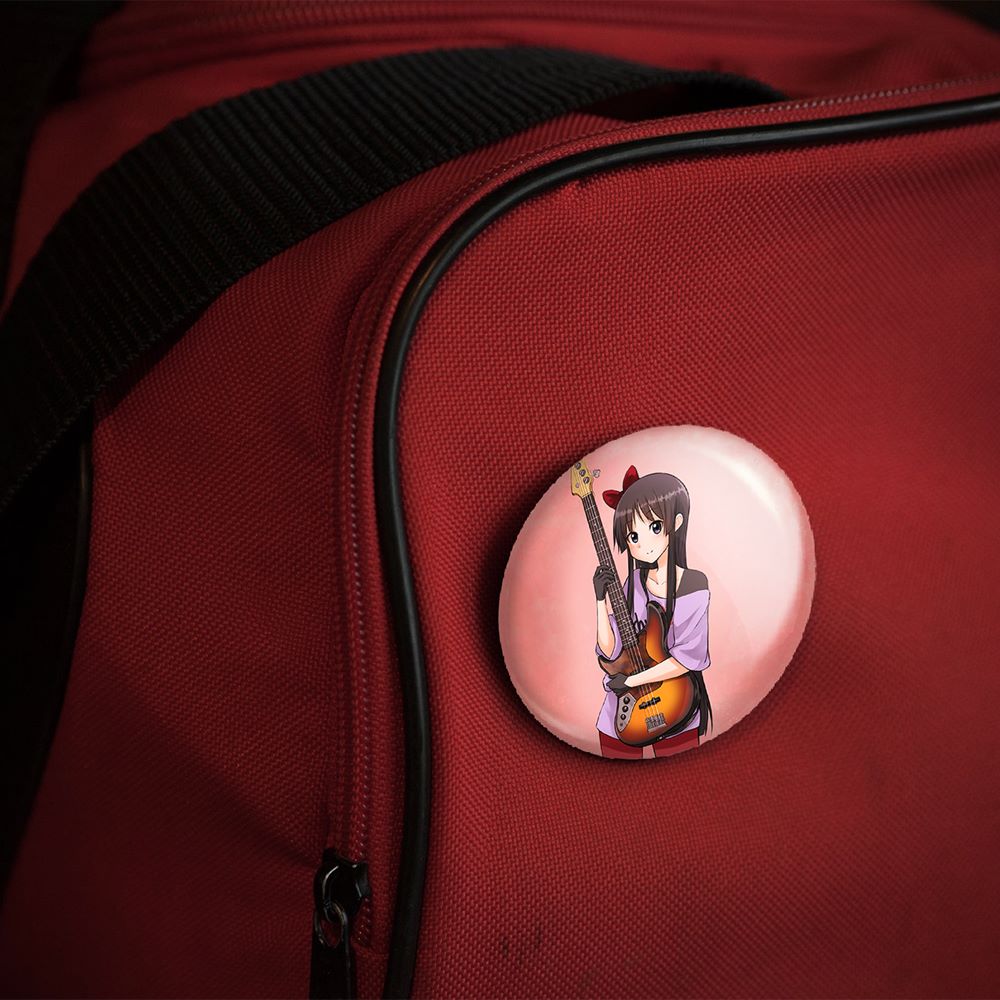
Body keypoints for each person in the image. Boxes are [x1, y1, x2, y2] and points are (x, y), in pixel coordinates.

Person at [593, 466, 712, 759]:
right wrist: (600, 601)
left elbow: (686, 659)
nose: (642, 544)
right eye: (633, 536)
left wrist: (632, 681)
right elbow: (610, 652)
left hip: (674, 702)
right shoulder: (634, 583)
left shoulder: (693, 586)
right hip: (625, 708)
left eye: (654, 528)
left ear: (677, 522)